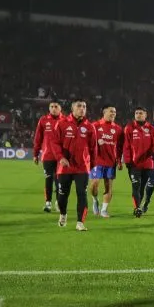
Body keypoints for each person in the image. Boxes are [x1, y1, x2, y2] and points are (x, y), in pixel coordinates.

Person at [47, 99, 98, 231]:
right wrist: (60, 157)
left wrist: (92, 165)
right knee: (62, 195)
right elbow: (54, 143)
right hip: (65, 167)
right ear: (72, 109)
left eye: (84, 106)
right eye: (79, 106)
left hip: (82, 167)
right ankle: (63, 214)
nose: (82, 108)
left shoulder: (89, 126)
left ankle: (80, 222)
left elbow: (94, 148)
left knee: (82, 194)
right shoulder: (61, 124)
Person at [122, 107, 154, 217]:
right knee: (136, 185)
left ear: (145, 115)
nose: (138, 115)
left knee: (142, 186)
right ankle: (137, 208)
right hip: (134, 164)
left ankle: (138, 206)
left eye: (141, 113)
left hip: (148, 163)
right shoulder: (129, 128)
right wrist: (127, 160)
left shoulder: (151, 129)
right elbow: (126, 146)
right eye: (136, 113)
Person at [89, 105, 124, 218]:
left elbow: (119, 147)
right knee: (94, 184)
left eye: (114, 112)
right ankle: (95, 200)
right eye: (111, 111)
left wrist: (119, 160)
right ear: (104, 112)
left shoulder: (118, 129)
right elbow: (87, 143)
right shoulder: (94, 126)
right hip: (97, 160)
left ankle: (104, 210)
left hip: (111, 162)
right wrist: (95, 144)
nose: (113, 113)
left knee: (108, 186)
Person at [33, 100, 63, 212]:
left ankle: (59, 202)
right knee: (49, 179)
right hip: (48, 155)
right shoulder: (43, 120)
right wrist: (35, 154)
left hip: (61, 157)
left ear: (60, 108)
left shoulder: (65, 121)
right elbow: (38, 138)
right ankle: (48, 203)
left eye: (56, 106)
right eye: (52, 106)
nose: (54, 108)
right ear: (49, 108)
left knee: (59, 180)